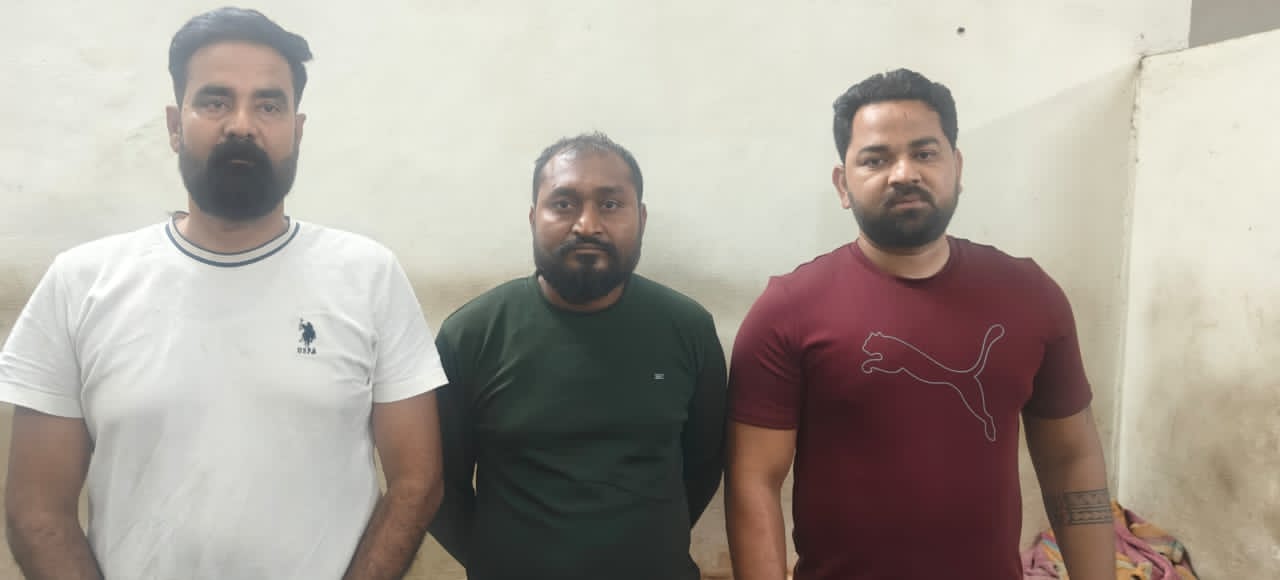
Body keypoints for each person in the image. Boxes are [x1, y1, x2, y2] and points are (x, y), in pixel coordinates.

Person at [0, 8, 446, 579]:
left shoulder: (368, 276)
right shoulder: (80, 283)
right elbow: (37, 511)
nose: (241, 124)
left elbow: (417, 482)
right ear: (174, 125)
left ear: (297, 130)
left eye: (268, 105)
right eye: (215, 102)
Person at [725, 68, 1115, 580]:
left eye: (925, 153)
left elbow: (1071, 460)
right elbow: (753, 480)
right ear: (843, 184)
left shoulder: (1031, 296)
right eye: (876, 159)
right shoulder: (787, 309)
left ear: (956, 166)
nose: (903, 173)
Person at [428, 132, 727, 580]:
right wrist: (497, 561)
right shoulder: (471, 334)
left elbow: (703, 467)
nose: (587, 225)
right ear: (534, 217)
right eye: (564, 203)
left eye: (610, 204)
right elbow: (437, 485)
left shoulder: (689, 329)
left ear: (641, 218)